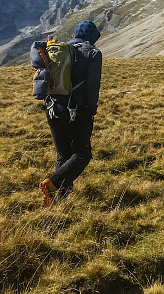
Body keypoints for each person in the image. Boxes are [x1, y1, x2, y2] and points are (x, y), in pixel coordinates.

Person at [39, 20, 103, 206]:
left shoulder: (61, 50)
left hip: (52, 107)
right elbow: (92, 86)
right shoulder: (93, 53)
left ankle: (59, 200)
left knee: (63, 155)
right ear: (92, 36)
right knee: (82, 154)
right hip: (75, 110)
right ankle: (52, 183)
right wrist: (91, 110)